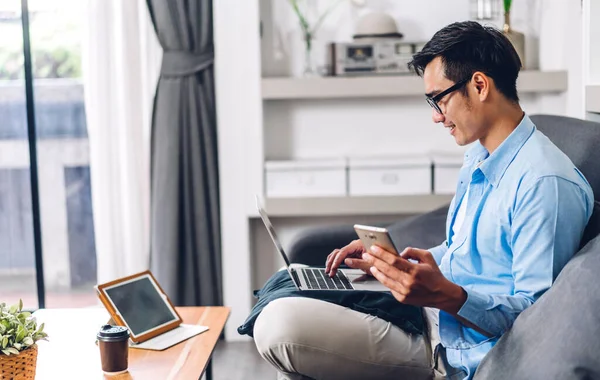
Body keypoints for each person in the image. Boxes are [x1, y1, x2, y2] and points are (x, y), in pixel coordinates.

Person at [252, 21, 594, 380]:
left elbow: (535, 318)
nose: (436, 116)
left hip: (453, 347)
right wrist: (400, 263)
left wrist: (445, 295)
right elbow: (466, 252)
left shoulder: (544, 183)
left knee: (280, 324)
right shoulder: (482, 156)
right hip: (428, 313)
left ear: (479, 85)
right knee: (290, 285)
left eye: (439, 99)